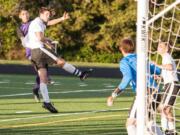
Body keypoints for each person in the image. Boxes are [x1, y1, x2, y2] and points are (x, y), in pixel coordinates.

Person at [23, 7, 93, 113]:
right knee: (60, 61)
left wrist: (61, 18)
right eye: (47, 14)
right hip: (39, 50)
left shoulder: (40, 22)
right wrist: (48, 40)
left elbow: (49, 23)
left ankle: (46, 102)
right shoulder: (37, 22)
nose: (49, 16)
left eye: (49, 14)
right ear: (41, 14)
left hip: (34, 52)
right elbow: (40, 37)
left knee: (43, 78)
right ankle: (81, 74)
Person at [107, 38, 162, 135]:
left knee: (131, 123)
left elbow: (128, 77)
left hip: (145, 94)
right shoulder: (141, 58)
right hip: (156, 92)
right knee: (148, 122)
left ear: (121, 49)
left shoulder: (125, 61)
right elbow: (157, 70)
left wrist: (114, 95)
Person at [17, 8, 70, 102]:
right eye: (23, 14)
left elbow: (48, 23)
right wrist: (26, 41)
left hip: (40, 49)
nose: (26, 15)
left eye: (27, 13)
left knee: (42, 73)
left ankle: (35, 89)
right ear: (20, 16)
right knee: (41, 72)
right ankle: (44, 85)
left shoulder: (34, 22)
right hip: (31, 52)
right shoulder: (20, 28)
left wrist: (62, 19)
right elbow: (23, 42)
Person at [154, 41, 179, 135]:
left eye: (161, 46)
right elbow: (167, 72)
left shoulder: (167, 56)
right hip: (168, 85)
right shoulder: (165, 57)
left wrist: (157, 65)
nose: (158, 47)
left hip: (172, 84)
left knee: (164, 109)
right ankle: (168, 130)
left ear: (166, 49)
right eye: (158, 46)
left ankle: (169, 131)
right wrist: (159, 77)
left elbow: (170, 67)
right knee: (164, 109)